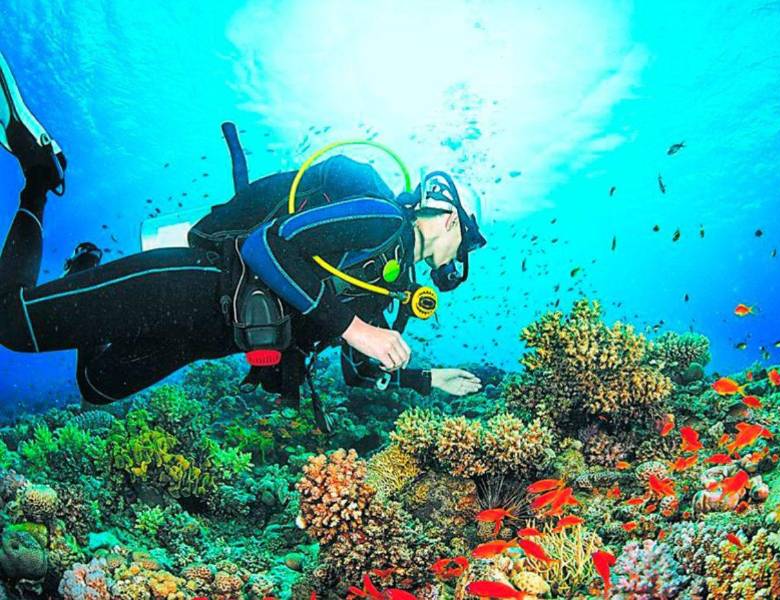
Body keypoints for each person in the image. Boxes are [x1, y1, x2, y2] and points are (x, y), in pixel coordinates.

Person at [0, 52, 486, 429]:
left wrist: (424, 378)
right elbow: (268, 246)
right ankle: (39, 177)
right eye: (465, 245)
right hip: (195, 284)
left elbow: (357, 372)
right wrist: (355, 329)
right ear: (449, 220)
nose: (458, 260)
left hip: (205, 339)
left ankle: (83, 272)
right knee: (11, 323)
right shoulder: (381, 219)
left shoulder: (390, 283)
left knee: (95, 386)